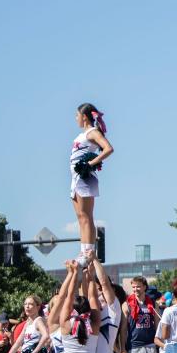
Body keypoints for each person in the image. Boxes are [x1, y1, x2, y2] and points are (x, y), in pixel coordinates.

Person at [70, 102, 113, 266]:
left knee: (87, 216)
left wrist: (90, 163)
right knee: (80, 216)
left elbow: (108, 148)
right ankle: (83, 250)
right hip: (75, 178)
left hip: (84, 177)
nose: (76, 118)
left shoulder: (92, 132)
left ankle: (88, 251)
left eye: (77, 115)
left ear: (84, 116)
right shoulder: (82, 135)